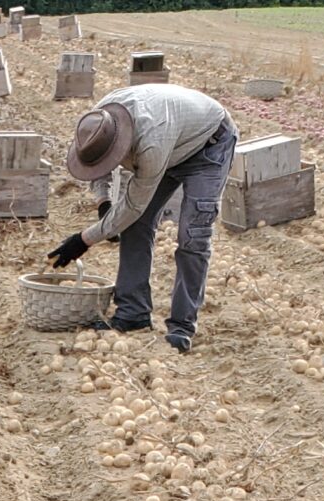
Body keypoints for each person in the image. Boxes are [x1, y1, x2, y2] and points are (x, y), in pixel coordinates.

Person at [48, 85, 238, 354]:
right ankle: (133, 313)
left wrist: (83, 239)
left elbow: (134, 206)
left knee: (192, 236)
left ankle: (182, 326)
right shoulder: (100, 121)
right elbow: (97, 168)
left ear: (123, 144)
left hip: (208, 146)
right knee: (136, 227)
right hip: (173, 136)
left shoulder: (150, 144)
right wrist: (104, 203)